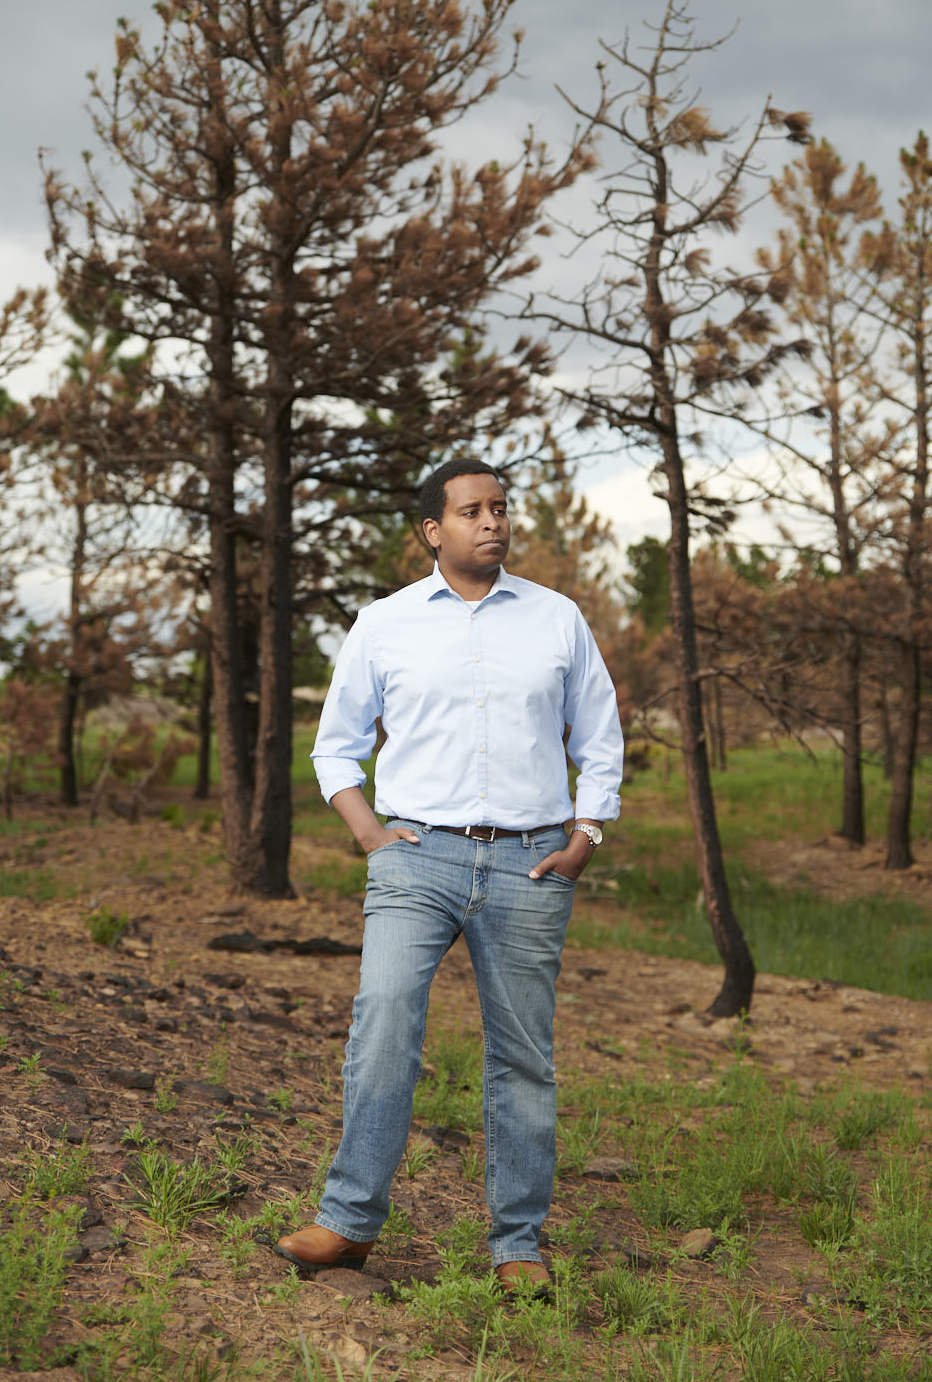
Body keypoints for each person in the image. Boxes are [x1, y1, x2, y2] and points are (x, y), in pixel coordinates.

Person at [274, 458, 623, 1294]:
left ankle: (518, 1247)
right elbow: (336, 743)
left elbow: (599, 738)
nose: (491, 523)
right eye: (471, 511)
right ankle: (348, 1222)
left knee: (522, 1057)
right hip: (415, 856)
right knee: (385, 1020)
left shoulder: (557, 618)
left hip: (529, 861)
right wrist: (370, 835)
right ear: (433, 529)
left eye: (500, 508)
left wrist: (584, 835)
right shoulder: (385, 623)